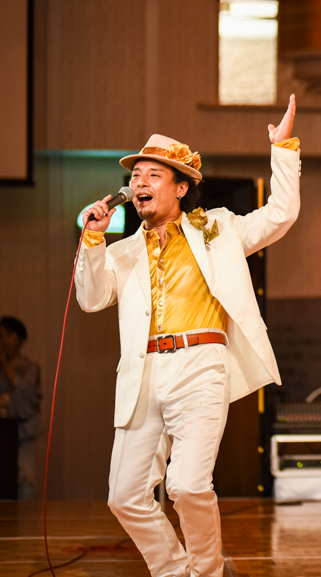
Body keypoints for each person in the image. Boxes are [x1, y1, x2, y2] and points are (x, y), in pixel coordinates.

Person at [75, 95, 300, 577]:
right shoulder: (123, 251)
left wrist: (284, 150)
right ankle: (178, 573)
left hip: (200, 366)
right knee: (125, 495)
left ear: (180, 187)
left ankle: (208, 572)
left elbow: (280, 214)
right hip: (142, 373)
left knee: (188, 486)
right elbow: (91, 298)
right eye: (135, 176)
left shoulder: (217, 228)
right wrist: (93, 241)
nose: (139, 183)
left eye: (153, 175)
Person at [0, 316, 42, 500]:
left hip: (24, 434)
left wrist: (4, 362)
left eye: (6, 335)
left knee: (26, 484)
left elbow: (26, 396)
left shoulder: (30, 367)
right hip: (3, 434)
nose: (3, 341)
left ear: (19, 338)